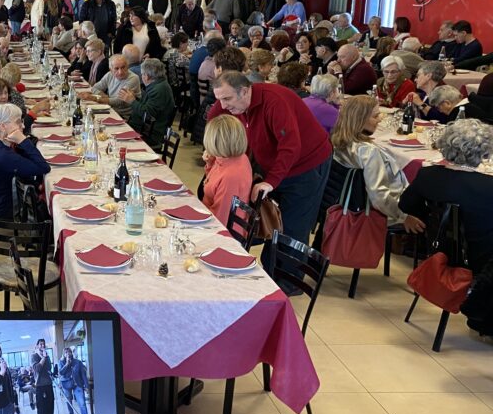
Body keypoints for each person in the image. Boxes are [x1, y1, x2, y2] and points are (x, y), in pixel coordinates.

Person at [209, 71, 332, 249]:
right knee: (271, 220)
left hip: (307, 165)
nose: (223, 105)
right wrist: (212, 148)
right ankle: (270, 267)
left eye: (227, 99)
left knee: (293, 228)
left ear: (244, 91)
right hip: (275, 162)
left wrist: (270, 182)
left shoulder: (274, 102)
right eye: (219, 99)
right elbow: (215, 117)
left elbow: (290, 147)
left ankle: (284, 275)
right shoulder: (234, 101)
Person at [399, 120, 493, 335]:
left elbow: (405, 204)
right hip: (482, 260)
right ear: (484, 152)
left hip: (438, 249)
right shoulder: (488, 187)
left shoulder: (428, 175)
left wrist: (421, 215)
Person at [331, 96, 425, 231]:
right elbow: (379, 196)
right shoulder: (368, 151)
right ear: (360, 120)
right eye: (375, 116)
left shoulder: (337, 140)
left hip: (352, 202)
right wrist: (404, 217)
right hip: (382, 211)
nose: (380, 119)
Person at [0, 103, 50, 219]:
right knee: (49, 211)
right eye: (18, 122)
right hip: (5, 209)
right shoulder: (2, 156)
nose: (23, 126)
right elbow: (43, 167)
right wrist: (22, 140)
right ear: (2, 126)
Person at [201, 115, 253, 227]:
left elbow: (220, 219)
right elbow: (212, 183)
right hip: (208, 214)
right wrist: (210, 162)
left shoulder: (231, 176)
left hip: (220, 229)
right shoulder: (232, 157)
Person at [123, 58, 175, 148]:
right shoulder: (158, 84)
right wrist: (135, 98)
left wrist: (132, 101)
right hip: (144, 128)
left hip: (150, 134)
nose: (142, 77)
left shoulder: (159, 90)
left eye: (142, 74)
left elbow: (148, 114)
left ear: (146, 76)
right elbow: (147, 106)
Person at [83, 54, 140, 120]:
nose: (120, 72)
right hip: (110, 110)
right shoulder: (110, 75)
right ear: (111, 69)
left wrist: (95, 98)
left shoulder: (133, 78)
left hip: (124, 116)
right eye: (116, 68)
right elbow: (95, 87)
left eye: (123, 67)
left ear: (127, 67)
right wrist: (104, 96)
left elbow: (120, 101)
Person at [58, 347, 88, 414]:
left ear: (71, 353)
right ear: (64, 354)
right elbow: (61, 372)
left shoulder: (78, 362)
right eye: (66, 353)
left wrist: (86, 386)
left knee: (82, 403)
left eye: (69, 352)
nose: (68, 354)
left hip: (77, 384)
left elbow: (83, 374)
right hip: (66, 384)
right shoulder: (61, 362)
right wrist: (67, 364)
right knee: (69, 401)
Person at [30, 338, 55, 414]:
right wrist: (43, 357)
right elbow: (37, 369)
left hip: (49, 384)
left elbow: (49, 368)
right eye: (40, 344)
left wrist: (45, 357)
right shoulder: (34, 356)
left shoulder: (47, 356)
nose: (43, 345)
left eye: (43, 344)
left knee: (50, 405)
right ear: (37, 346)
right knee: (42, 407)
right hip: (40, 385)